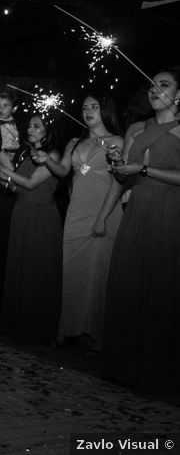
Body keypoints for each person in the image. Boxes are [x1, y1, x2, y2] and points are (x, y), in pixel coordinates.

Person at [103, 68, 180, 392]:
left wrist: (146, 168)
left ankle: (157, 367)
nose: (155, 89)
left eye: (164, 85)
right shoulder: (136, 128)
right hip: (136, 212)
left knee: (160, 288)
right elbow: (124, 177)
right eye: (152, 84)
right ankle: (123, 363)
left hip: (168, 212)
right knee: (129, 283)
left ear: (178, 96)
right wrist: (117, 161)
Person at [39, 94, 123, 350]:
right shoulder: (75, 142)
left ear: (105, 110)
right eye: (85, 107)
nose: (88, 111)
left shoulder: (118, 141)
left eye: (94, 107)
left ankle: (97, 335)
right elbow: (64, 171)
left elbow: (119, 181)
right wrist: (47, 160)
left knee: (98, 273)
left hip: (104, 211)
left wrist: (102, 218)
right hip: (77, 212)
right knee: (73, 271)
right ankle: (68, 329)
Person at [0, 114, 62, 343]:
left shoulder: (52, 156)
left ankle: (38, 325)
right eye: (29, 125)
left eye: (36, 126)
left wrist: (5, 170)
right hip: (22, 213)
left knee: (36, 268)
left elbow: (32, 184)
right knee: (20, 266)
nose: (30, 128)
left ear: (47, 131)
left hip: (40, 216)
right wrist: (1, 179)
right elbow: (18, 188)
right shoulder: (27, 156)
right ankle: (19, 321)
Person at [0, 92, 27, 319]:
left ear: (14, 108)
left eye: (6, 105)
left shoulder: (22, 127)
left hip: (17, 172)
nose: (2, 109)